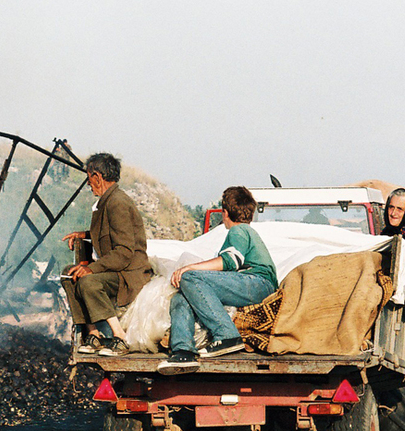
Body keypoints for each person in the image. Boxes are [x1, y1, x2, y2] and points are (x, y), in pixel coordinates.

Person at [157, 186, 278, 372]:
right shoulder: (246, 232)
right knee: (182, 297)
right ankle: (183, 351)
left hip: (258, 284)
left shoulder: (239, 231)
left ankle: (227, 335)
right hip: (248, 284)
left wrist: (189, 268)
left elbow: (231, 261)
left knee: (189, 278)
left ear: (225, 213)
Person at [61, 153, 153, 356]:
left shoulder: (117, 203)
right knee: (69, 274)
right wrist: (83, 235)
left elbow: (124, 252)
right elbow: (108, 234)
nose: (88, 184)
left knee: (88, 281)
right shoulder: (107, 200)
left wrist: (91, 268)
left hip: (129, 274)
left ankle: (120, 337)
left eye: (89, 178)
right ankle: (93, 334)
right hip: (117, 270)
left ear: (97, 176)